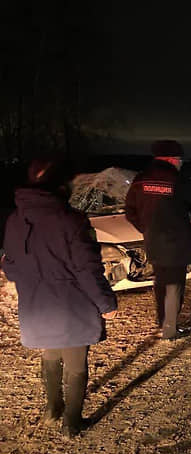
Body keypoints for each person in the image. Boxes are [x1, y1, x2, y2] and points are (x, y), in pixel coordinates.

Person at [1, 157, 117, 438]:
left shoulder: (15, 219)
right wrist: (106, 303)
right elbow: (86, 268)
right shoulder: (71, 220)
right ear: (59, 185)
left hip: (36, 304)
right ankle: (72, 423)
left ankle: (52, 411)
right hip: (72, 304)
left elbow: (9, 264)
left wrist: (31, 281)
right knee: (76, 364)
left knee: (50, 354)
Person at [125, 140, 191, 340]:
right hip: (177, 242)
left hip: (153, 241)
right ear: (172, 159)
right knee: (175, 284)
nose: (181, 163)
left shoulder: (140, 180)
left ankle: (163, 322)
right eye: (180, 159)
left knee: (161, 282)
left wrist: (147, 228)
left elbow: (130, 211)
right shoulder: (178, 180)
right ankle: (170, 328)